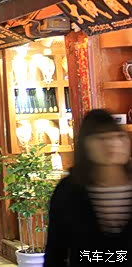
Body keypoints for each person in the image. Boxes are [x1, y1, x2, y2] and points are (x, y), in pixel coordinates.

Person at [44, 109, 132, 266]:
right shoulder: (69, 191)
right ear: (86, 146)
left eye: (118, 136)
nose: (112, 144)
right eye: (101, 138)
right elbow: (55, 252)